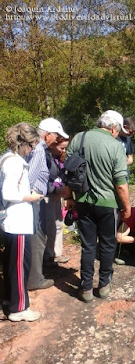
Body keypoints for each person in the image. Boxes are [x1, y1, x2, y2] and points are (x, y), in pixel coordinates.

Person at [65, 110, 131, 303]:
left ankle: (85, 288)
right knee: (108, 244)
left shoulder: (78, 138)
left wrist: (69, 197)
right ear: (113, 128)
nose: (118, 135)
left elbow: (68, 171)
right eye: (118, 131)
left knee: (88, 246)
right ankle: (103, 286)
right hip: (108, 205)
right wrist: (127, 208)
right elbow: (120, 183)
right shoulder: (115, 145)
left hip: (83, 201)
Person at [0, 123, 44, 322]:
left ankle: (10, 301)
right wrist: (31, 197)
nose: (33, 149)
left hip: (14, 222)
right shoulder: (14, 163)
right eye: (32, 145)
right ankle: (19, 308)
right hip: (16, 222)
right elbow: (8, 193)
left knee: (12, 265)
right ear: (23, 143)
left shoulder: (8, 159)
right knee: (19, 266)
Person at [27, 118, 69, 290]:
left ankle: (35, 275)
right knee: (38, 236)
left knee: (42, 233)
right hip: (35, 199)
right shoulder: (38, 150)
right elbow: (30, 179)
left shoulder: (41, 149)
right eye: (57, 136)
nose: (57, 140)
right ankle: (35, 278)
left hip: (40, 197)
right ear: (49, 135)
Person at [43, 137, 70, 267]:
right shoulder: (45, 157)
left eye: (65, 148)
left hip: (58, 195)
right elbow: (42, 181)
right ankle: (48, 255)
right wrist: (54, 189)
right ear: (53, 145)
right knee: (50, 226)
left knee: (59, 223)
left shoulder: (61, 158)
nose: (63, 150)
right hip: (47, 196)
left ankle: (57, 253)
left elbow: (63, 175)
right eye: (62, 147)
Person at [116, 117, 135, 182]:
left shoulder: (128, 139)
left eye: (133, 132)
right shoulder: (114, 137)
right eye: (130, 132)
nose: (131, 134)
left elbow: (130, 157)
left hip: (123, 172)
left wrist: (126, 162)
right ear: (124, 127)